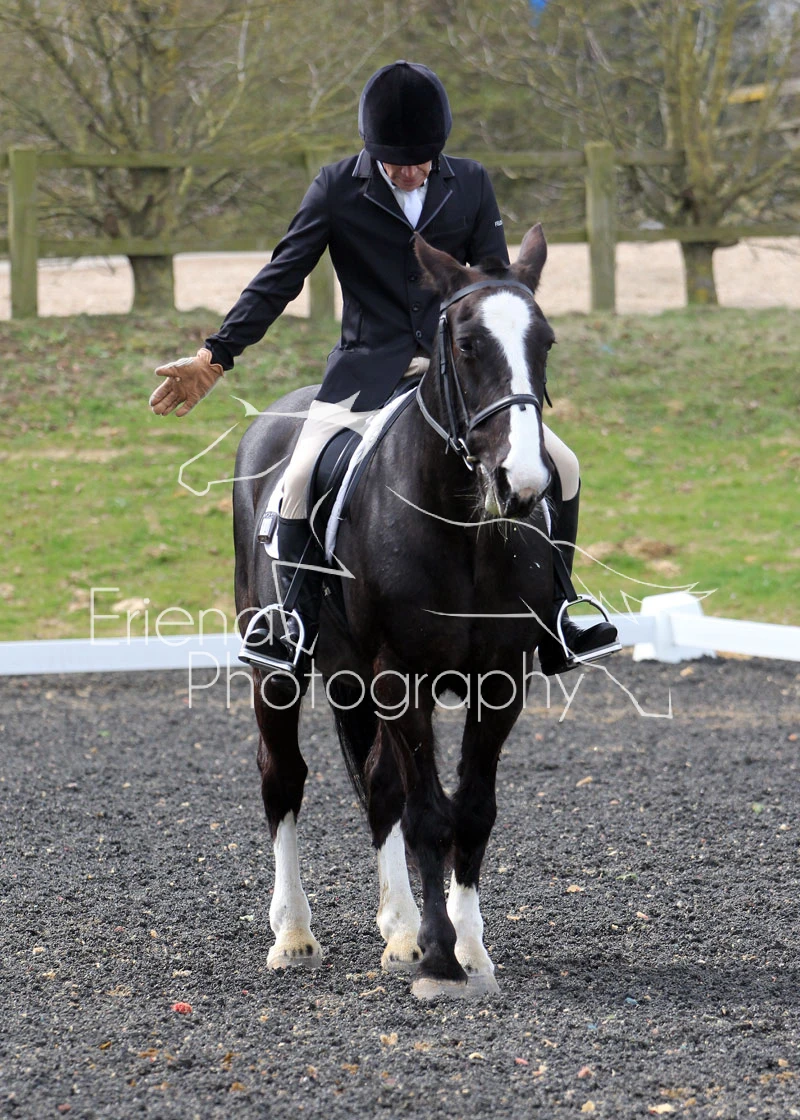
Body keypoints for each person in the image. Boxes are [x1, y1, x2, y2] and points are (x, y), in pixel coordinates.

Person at [150, 60, 618, 684]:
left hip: (460, 378)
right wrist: (217, 355)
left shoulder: (470, 182)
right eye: (395, 163)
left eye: (420, 161)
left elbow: (494, 284)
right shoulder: (336, 188)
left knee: (565, 465)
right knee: (297, 478)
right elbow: (280, 278)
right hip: (365, 374)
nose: (409, 172)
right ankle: (292, 623)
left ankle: (559, 614)